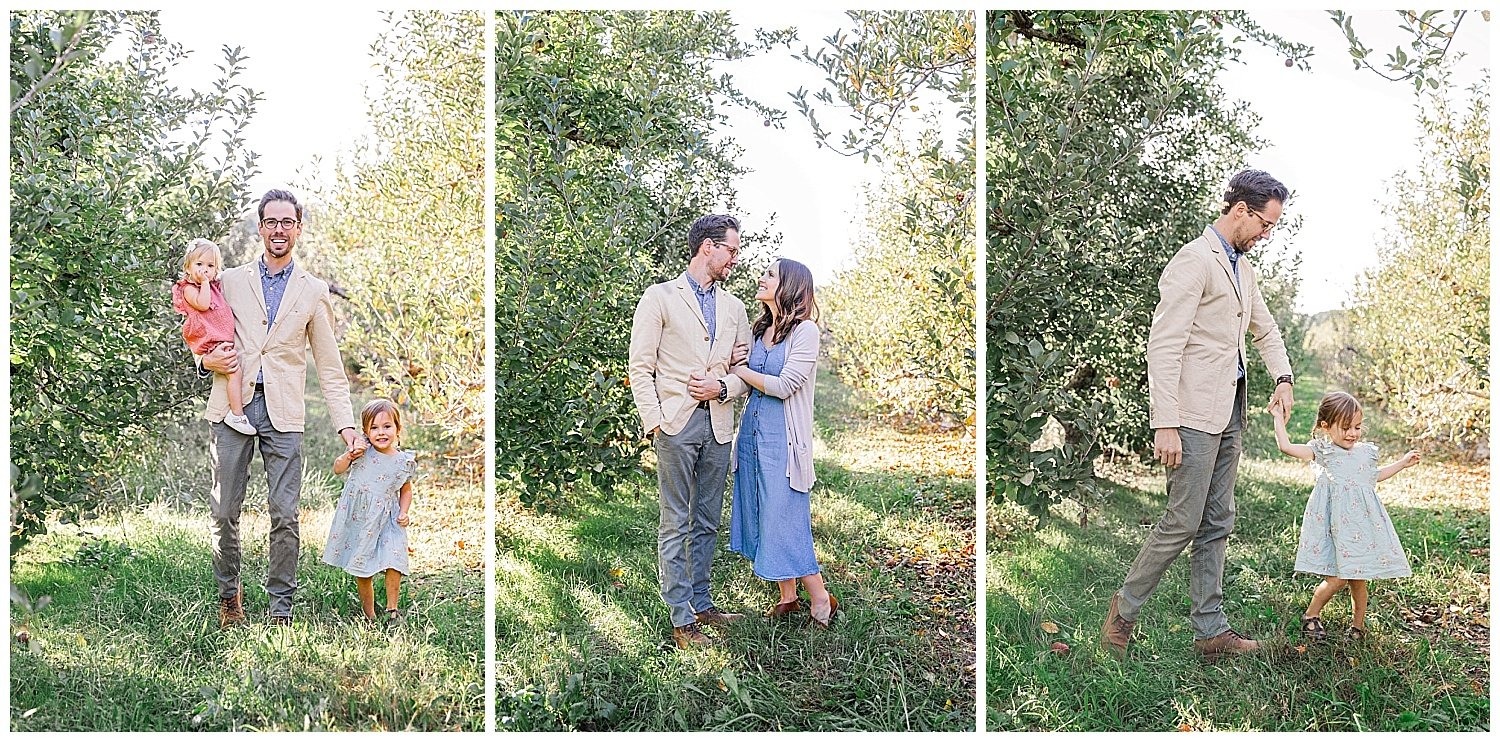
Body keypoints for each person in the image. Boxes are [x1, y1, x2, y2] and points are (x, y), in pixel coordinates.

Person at [1102, 170, 1296, 660]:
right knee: (1182, 521)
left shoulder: (1242, 270)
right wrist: (1165, 421)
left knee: (1218, 520)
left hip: (1230, 410)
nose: (1266, 235)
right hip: (1190, 414)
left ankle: (1211, 631)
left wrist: (1283, 378)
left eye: (1272, 227)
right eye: (1265, 224)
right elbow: (1164, 347)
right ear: (1240, 211)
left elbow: (1266, 330)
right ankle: (1122, 613)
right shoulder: (1193, 261)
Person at [200, 188, 358, 628]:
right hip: (233, 405)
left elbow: (329, 366)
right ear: (259, 226)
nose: (279, 230)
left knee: (285, 514)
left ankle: (280, 610)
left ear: (299, 229)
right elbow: (198, 327)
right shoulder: (230, 280)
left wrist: (346, 424)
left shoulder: (312, 292)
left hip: (284, 413)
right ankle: (229, 596)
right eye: (271, 221)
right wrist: (203, 360)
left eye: (287, 222)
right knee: (224, 510)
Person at [628, 213, 752, 649]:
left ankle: (703, 604)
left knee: (707, 521)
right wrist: (656, 420)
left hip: (719, 424)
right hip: (676, 423)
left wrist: (723, 386)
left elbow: (744, 371)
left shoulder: (735, 308)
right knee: (674, 522)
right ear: (708, 248)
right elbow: (640, 367)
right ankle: (682, 620)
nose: (735, 259)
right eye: (731, 250)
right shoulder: (659, 297)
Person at [727, 259, 837, 627]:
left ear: (790, 285)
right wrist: (733, 371)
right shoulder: (761, 330)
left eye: (771, 274)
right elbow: (746, 380)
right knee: (761, 511)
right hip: (752, 437)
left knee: (785, 518)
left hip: (784, 443)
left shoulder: (805, 331)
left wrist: (741, 371)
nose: (762, 278)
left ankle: (820, 597)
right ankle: (787, 597)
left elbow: (786, 385)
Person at [1272, 391, 1416, 642]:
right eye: (1346, 427)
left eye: (1357, 427)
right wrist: (1278, 418)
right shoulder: (1323, 451)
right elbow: (1285, 447)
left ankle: (1357, 627)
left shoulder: (1365, 452)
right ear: (1326, 427)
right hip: (1336, 524)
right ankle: (1311, 615)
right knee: (1338, 577)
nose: (1353, 434)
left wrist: (1402, 464)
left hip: (1362, 523)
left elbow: (1373, 477)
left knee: (1359, 578)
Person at [323, 399, 418, 625]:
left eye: (387, 426)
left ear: (398, 429)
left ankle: (392, 610)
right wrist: (349, 455)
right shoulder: (362, 451)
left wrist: (404, 512)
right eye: (374, 428)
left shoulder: (403, 461)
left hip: (388, 519)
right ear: (365, 431)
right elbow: (337, 469)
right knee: (363, 567)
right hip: (361, 518)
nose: (381, 432)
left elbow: (406, 490)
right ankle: (369, 614)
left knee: (394, 560)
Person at [173, 239, 256, 435]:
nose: (205, 270)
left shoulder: (212, 286)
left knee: (234, 373)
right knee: (234, 373)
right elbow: (202, 304)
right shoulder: (189, 288)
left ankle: (237, 413)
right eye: (199, 264)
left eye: (210, 266)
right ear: (188, 266)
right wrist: (204, 283)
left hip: (220, 337)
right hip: (210, 339)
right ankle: (236, 415)